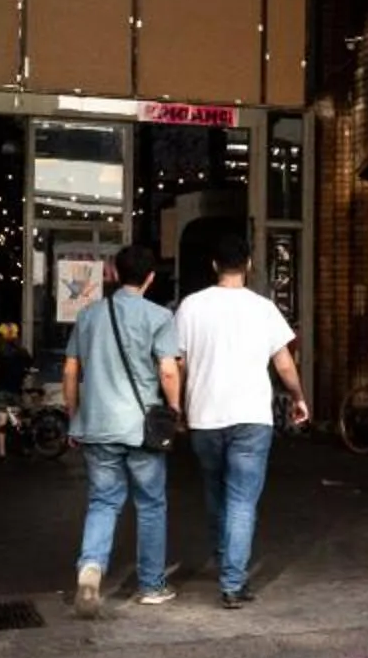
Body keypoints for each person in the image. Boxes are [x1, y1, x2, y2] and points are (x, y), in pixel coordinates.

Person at [175, 231, 310, 609]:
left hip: (204, 416)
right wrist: (299, 397)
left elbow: (179, 364)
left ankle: (226, 564)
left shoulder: (190, 306)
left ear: (214, 265)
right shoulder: (263, 308)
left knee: (217, 493)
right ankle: (232, 581)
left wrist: (178, 408)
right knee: (242, 500)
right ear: (249, 265)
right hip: (251, 418)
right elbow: (283, 362)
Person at [60, 243, 182, 617]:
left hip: (97, 426)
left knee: (103, 501)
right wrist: (175, 409)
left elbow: (70, 371)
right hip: (141, 427)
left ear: (112, 273)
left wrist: (73, 415)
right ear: (150, 277)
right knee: (150, 505)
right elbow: (167, 369)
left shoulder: (90, 315)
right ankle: (151, 585)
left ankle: (91, 569)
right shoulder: (159, 316)